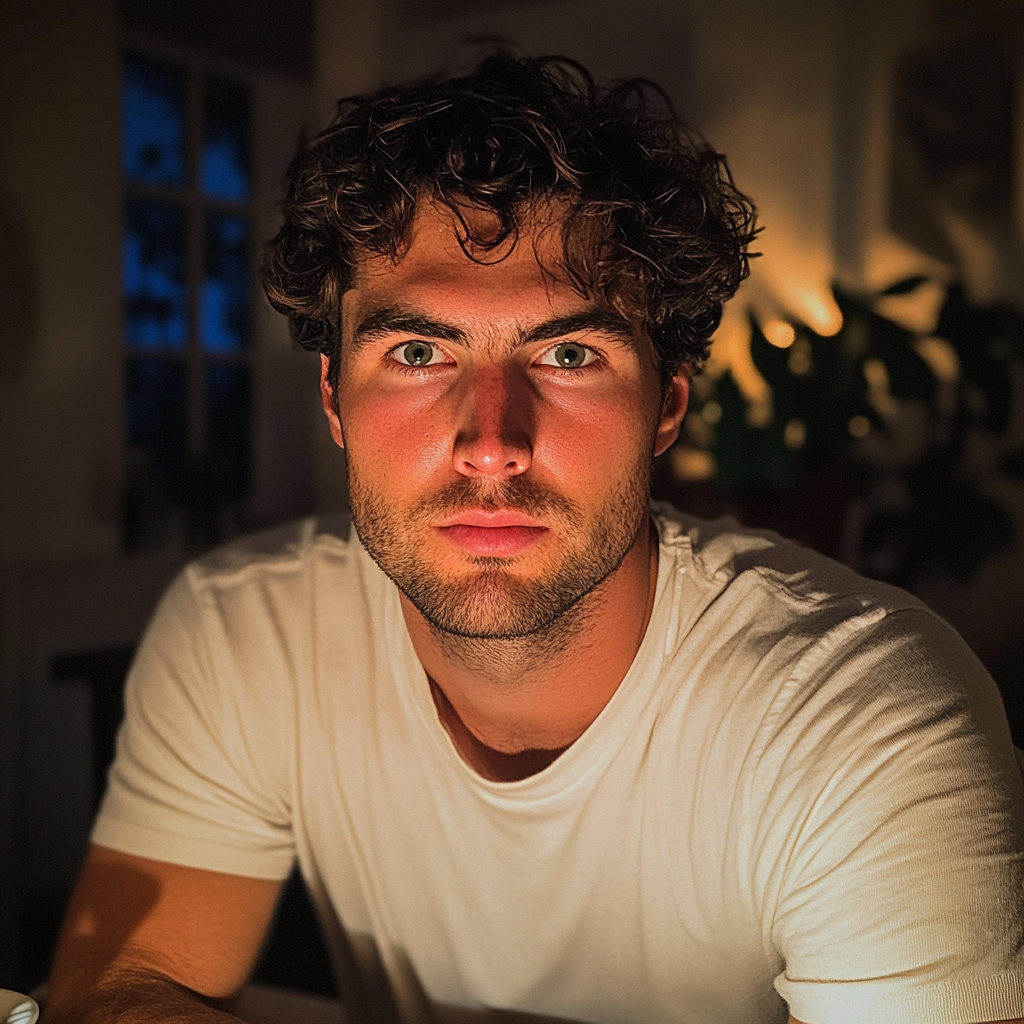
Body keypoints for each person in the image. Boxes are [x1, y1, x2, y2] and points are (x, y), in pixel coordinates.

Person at [45, 52, 1023, 1024]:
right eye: (420, 351)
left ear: (666, 405)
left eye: (567, 353)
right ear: (335, 396)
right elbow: (120, 987)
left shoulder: (865, 717)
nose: (491, 444)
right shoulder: (245, 627)